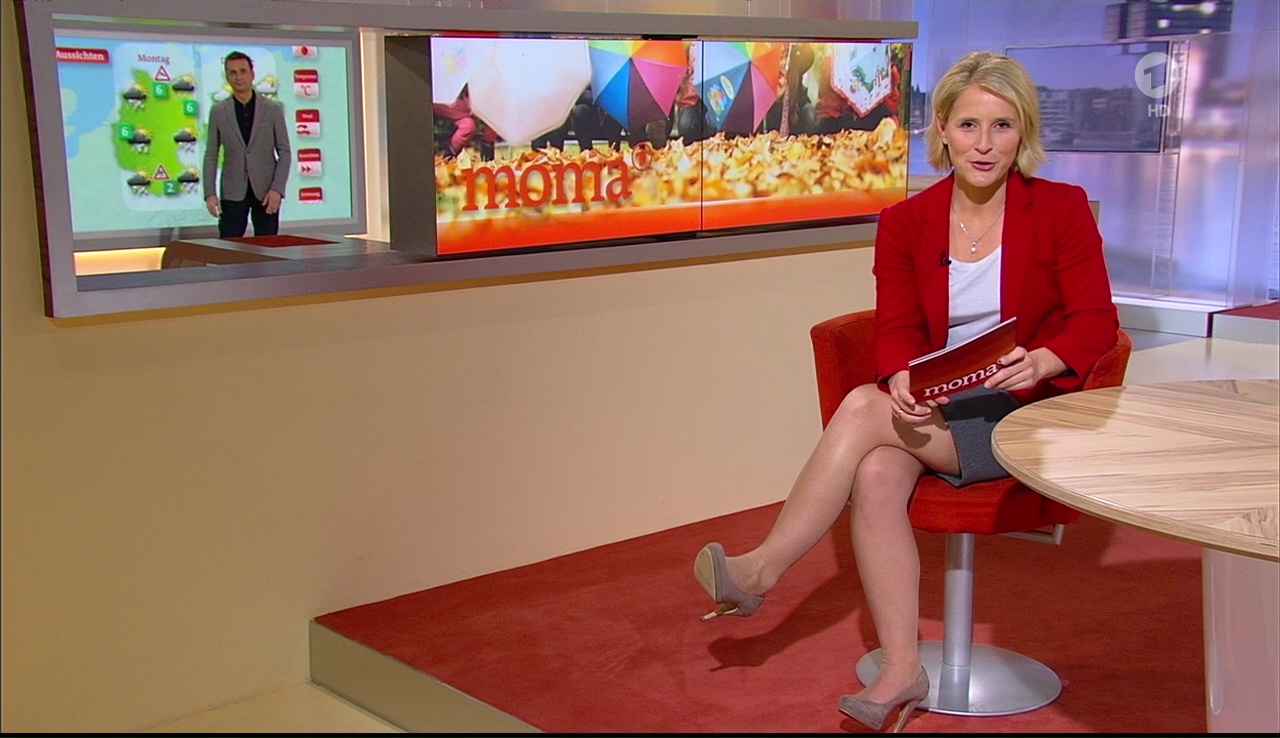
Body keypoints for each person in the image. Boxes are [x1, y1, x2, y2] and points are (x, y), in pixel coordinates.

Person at [692, 50, 1118, 732]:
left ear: (1024, 132)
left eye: (1003, 126)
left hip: (1025, 411)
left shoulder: (1061, 208)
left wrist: (1041, 361)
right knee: (878, 472)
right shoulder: (906, 221)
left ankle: (764, 569)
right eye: (969, 125)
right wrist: (901, 378)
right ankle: (901, 668)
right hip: (947, 406)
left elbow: (1097, 320)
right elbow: (895, 328)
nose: (985, 144)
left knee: (863, 407)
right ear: (942, 129)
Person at [203, 51, 291, 238]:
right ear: (227, 77)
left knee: (267, 248)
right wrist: (209, 193)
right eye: (233, 72)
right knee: (229, 247)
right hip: (232, 191)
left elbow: (285, 152)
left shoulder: (273, 110)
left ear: (252, 74)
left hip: (266, 191)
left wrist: (277, 189)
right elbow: (211, 155)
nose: (238, 77)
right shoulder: (218, 112)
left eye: (243, 71)